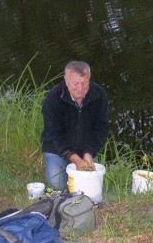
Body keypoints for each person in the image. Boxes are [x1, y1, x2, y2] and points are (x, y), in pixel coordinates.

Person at [41, 61, 110, 191]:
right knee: (57, 187)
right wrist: (75, 159)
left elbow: (101, 128)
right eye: (75, 83)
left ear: (89, 79)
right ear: (66, 81)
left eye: (84, 83)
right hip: (57, 151)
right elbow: (54, 134)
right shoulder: (53, 98)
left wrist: (89, 153)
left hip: (86, 149)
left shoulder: (99, 95)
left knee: (90, 188)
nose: (80, 88)